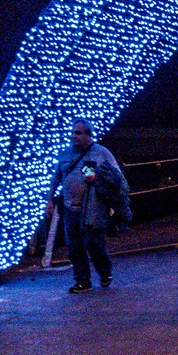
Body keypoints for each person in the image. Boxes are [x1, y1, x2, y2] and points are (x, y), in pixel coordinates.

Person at [45, 119, 123, 293]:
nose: (74, 136)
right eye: (73, 132)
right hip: (70, 207)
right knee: (74, 246)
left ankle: (105, 272)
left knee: (94, 244)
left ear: (88, 135)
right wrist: (50, 199)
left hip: (93, 208)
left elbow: (117, 176)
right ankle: (82, 281)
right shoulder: (65, 154)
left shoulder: (101, 152)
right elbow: (57, 176)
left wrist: (97, 178)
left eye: (78, 133)